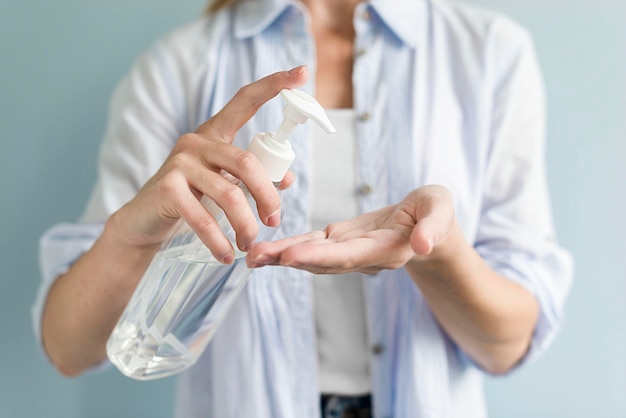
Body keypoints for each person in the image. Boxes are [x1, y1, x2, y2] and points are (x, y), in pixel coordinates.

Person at [33, 0, 573, 416]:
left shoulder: (488, 55)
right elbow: (68, 346)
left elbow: (505, 346)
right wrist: (135, 233)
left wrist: (437, 251)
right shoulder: (180, 66)